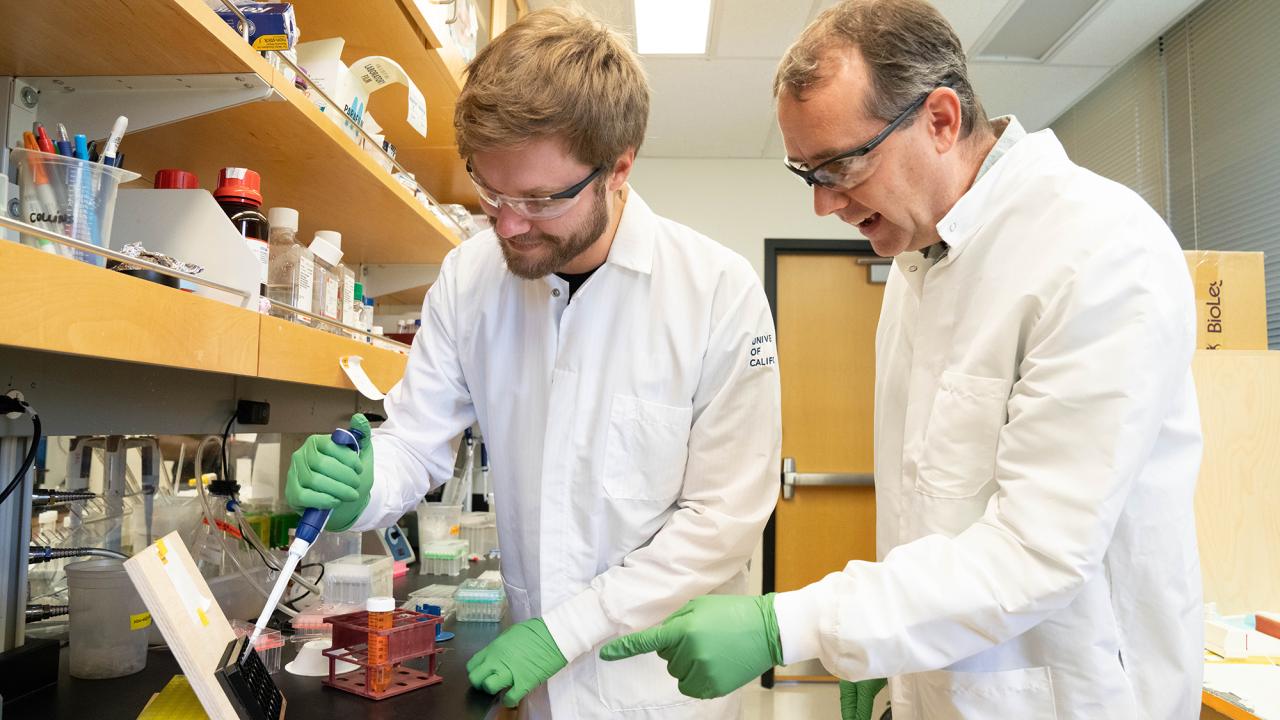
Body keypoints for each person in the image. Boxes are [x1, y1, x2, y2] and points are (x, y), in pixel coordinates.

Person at [601, 1, 1204, 719]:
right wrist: (883, 657)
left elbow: (1036, 553)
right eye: (807, 174)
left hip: (1070, 697)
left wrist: (794, 625)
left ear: (941, 121)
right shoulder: (923, 265)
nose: (824, 205)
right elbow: (930, 515)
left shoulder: (1100, 252)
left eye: (842, 165)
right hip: (938, 690)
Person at [284, 8, 781, 719]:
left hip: (658, 691)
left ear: (620, 168)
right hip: (534, 694)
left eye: (541, 199)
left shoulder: (717, 293)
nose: (510, 223)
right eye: (491, 191)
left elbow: (720, 522)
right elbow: (414, 442)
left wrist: (564, 631)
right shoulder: (469, 277)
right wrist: (361, 485)